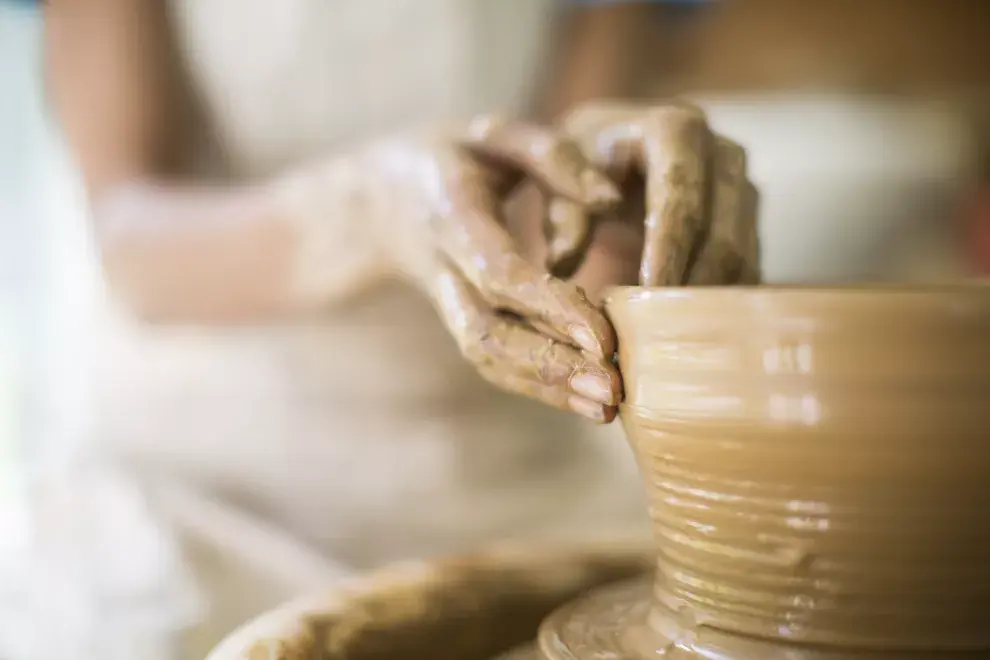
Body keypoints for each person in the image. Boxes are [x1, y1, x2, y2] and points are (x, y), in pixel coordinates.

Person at [36, 0, 756, 658]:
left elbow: (565, 247)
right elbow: (129, 238)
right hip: (215, 490)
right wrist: (366, 208)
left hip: (512, 479)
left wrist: (626, 214)